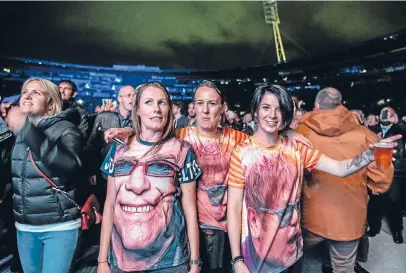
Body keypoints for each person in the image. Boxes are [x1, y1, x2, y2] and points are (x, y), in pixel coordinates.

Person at [102, 81, 311, 273]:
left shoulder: (237, 139)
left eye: (212, 103)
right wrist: (128, 131)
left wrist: (287, 133)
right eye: (199, 103)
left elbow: (265, 137)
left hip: (225, 232)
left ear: (222, 108)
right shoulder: (182, 136)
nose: (205, 109)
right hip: (188, 231)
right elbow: (152, 132)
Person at [226, 84, 400, 273]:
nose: (273, 114)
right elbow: (234, 208)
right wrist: (237, 258)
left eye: (279, 109)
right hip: (256, 256)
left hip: (293, 253)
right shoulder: (242, 152)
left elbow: (339, 168)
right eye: (266, 107)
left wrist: (366, 156)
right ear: (256, 110)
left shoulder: (297, 147)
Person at [97, 82, 202, 273]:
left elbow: (189, 208)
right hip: (120, 264)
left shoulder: (182, 150)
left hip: (171, 262)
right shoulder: (117, 149)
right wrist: (102, 260)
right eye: (149, 102)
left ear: (169, 109)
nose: (156, 108)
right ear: (137, 109)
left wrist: (195, 262)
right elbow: (110, 205)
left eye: (162, 102)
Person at [296, 87, 394, 273]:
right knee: (343, 267)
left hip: (310, 216)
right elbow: (380, 180)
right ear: (341, 105)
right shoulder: (364, 134)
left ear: (316, 106)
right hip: (349, 217)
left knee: (307, 265)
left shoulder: (301, 133)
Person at [9, 78, 84, 273]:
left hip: (59, 226)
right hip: (24, 227)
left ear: (50, 104)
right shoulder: (16, 131)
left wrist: (26, 130)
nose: (28, 94)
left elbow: (69, 165)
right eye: (25, 90)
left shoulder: (65, 129)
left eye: (36, 92)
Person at [367, 106, 405, 244]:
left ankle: (397, 232)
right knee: (375, 203)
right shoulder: (373, 130)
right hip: (376, 172)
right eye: (383, 112)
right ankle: (374, 228)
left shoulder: (400, 130)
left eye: (388, 113)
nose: (385, 115)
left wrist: (399, 121)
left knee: (394, 204)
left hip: (395, 172)